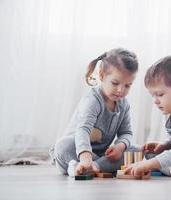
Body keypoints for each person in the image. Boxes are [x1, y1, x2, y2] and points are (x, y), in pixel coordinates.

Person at [50, 48, 138, 177]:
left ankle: (95, 166)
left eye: (127, 85)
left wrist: (120, 146)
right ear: (102, 75)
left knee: (136, 151)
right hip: (76, 151)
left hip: (100, 155)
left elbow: (127, 133)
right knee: (63, 145)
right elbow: (83, 130)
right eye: (115, 83)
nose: (120, 90)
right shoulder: (92, 101)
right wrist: (85, 157)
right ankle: (78, 165)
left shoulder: (123, 104)